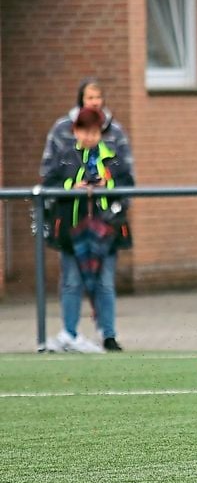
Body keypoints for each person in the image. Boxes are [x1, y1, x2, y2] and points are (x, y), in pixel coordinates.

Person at [42, 107, 134, 354]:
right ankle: (69, 334)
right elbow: (50, 183)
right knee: (71, 282)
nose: (90, 137)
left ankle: (109, 334)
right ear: (76, 131)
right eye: (85, 131)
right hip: (73, 230)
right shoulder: (66, 156)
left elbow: (128, 184)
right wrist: (74, 185)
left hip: (107, 230)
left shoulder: (111, 157)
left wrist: (108, 184)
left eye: (94, 132)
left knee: (105, 283)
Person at [41, 78, 135, 180]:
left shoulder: (116, 131)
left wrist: (108, 185)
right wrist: (71, 187)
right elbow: (48, 167)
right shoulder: (61, 128)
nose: (95, 102)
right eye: (90, 98)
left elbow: (127, 169)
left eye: (98, 97)